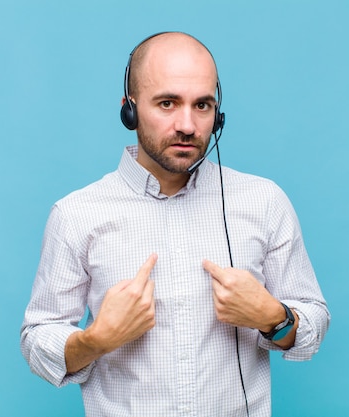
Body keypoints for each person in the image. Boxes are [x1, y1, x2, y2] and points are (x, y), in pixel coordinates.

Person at [20, 32, 330, 417]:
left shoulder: (264, 201)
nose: (187, 125)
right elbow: (38, 338)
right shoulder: (76, 214)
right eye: (167, 103)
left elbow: (313, 320)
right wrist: (95, 340)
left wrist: (274, 317)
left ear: (218, 115)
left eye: (202, 105)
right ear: (129, 110)